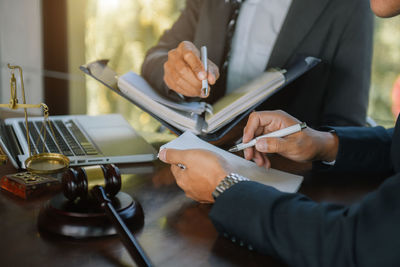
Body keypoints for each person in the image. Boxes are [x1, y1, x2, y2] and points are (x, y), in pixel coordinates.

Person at [158, 1, 400, 265]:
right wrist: (325, 143)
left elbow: (357, 245)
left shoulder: (348, 7)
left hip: (281, 211)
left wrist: (226, 188)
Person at [141, 0, 373, 127]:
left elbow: (347, 127)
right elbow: (156, 56)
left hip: (277, 186)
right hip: (187, 157)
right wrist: (172, 72)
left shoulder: (349, 6)